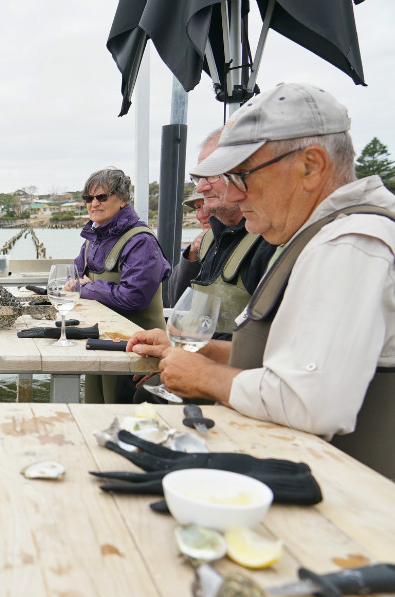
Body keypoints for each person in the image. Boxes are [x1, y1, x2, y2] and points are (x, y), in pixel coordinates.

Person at [127, 83, 395, 480]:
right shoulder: (320, 234)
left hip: (353, 507)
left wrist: (206, 377)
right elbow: (296, 361)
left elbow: (312, 402)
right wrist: (207, 353)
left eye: (242, 175)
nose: (232, 196)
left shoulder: (350, 244)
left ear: (310, 166)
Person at [69, 167, 171, 402]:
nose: (94, 203)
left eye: (102, 197)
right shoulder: (92, 240)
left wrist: (85, 287)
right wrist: (75, 284)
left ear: (123, 199)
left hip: (138, 351)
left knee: (127, 418)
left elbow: (134, 297)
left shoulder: (141, 241)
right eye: (88, 198)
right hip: (99, 343)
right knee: (96, 411)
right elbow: (71, 277)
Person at [166, 128, 276, 324]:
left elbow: (265, 339)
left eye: (211, 174)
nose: (200, 187)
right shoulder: (210, 239)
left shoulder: (271, 241)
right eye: (198, 177)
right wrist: (190, 256)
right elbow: (176, 301)